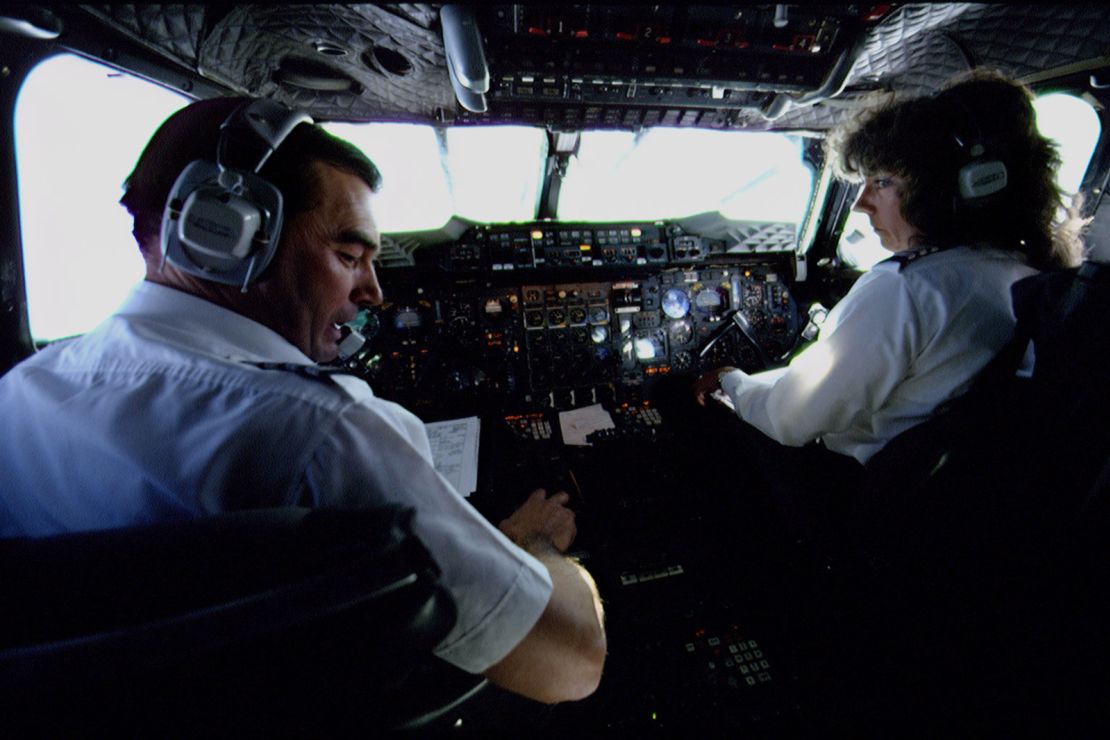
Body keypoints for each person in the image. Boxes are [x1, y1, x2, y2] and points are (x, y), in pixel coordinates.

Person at [0, 97, 605, 704]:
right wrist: (527, 544)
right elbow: (571, 664)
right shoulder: (323, 432)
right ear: (232, 237)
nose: (372, 290)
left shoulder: (20, 393)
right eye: (349, 255)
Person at [693, 69, 1084, 468]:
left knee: (684, 405)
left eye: (881, 182)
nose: (861, 203)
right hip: (951, 496)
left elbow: (790, 419)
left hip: (863, 498)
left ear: (947, 188)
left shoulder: (909, 288)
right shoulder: (1033, 276)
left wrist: (729, 380)